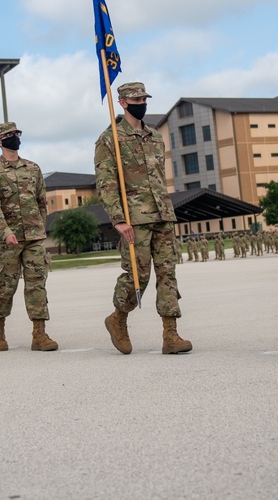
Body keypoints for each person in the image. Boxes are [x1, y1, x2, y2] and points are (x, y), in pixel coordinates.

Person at [95, 81, 192, 355]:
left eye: (143, 99)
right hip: (134, 218)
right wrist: (118, 218)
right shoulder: (110, 138)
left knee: (168, 273)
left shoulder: (155, 136)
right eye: (135, 100)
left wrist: (166, 212)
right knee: (140, 274)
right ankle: (118, 318)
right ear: (123, 103)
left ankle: (170, 334)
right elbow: (106, 182)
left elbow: (158, 178)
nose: (141, 104)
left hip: (162, 214)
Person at [0, 121, 57, 352]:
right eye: (9, 135)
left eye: (17, 133)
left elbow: (41, 201)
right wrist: (5, 232)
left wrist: (39, 226)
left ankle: (39, 334)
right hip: (8, 240)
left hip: (33, 237)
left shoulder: (33, 168)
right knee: (5, 286)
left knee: (37, 285)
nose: (15, 137)